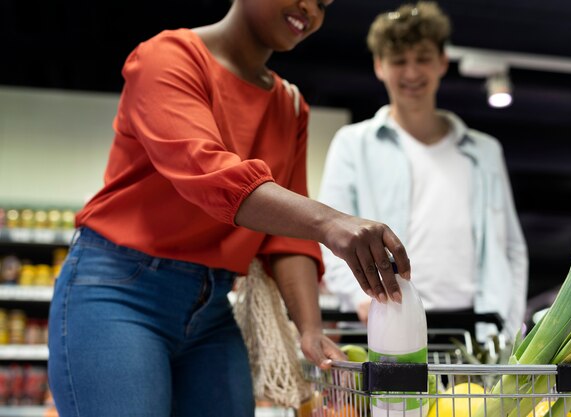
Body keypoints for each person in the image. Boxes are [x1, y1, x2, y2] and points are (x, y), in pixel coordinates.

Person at [46, 1, 412, 416]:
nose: (310, 9)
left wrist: (309, 329)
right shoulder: (169, 57)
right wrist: (331, 222)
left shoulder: (290, 106)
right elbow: (208, 174)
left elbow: (287, 238)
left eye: (324, 4)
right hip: (118, 292)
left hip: (213, 309)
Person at [318, 1, 528, 340]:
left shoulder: (485, 151)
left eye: (423, 59)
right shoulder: (353, 144)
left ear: (442, 62)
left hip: (473, 326)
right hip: (383, 317)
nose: (412, 73)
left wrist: (507, 320)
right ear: (379, 66)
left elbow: (512, 249)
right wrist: (360, 299)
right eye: (399, 61)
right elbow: (329, 236)